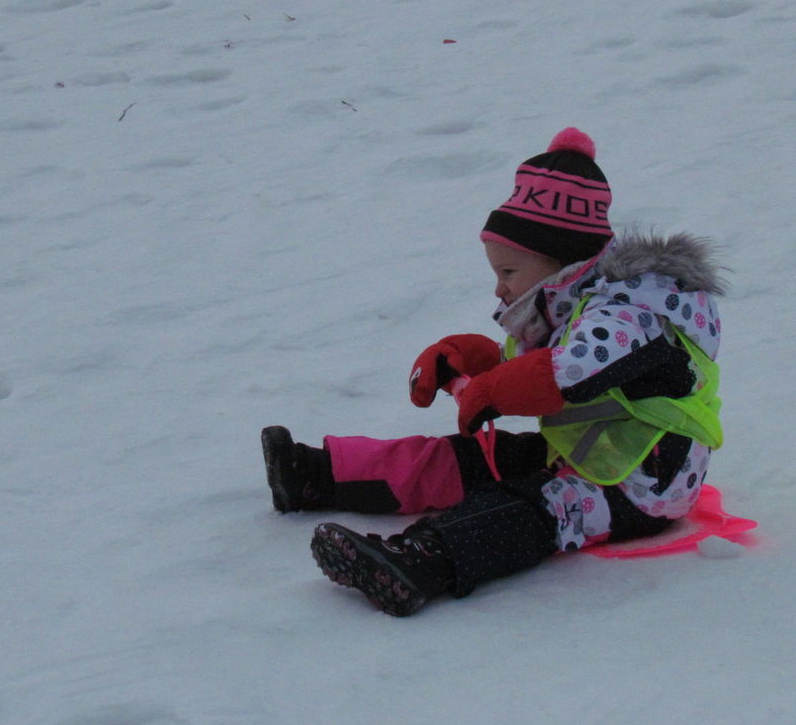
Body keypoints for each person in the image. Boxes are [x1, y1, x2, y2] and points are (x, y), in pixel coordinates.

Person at [261, 128, 726, 616]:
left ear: (560, 262)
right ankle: (318, 474)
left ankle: (422, 560)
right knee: (466, 459)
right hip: (586, 453)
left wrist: (493, 390)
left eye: (508, 273)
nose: (499, 289)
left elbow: (571, 372)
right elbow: (529, 366)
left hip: (645, 485)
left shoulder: (637, 311)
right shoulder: (573, 306)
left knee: (534, 507)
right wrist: (469, 362)